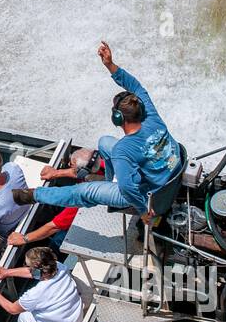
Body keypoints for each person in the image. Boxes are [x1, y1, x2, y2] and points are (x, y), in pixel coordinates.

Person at [21, 43, 181, 219]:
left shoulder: (124, 150)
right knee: (104, 142)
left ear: (118, 118)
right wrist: (109, 64)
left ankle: (34, 195)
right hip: (171, 174)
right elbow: (135, 86)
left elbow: (128, 190)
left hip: (150, 194)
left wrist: (143, 212)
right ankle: (108, 182)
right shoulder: (152, 117)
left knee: (84, 191)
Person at [7, 148, 104, 252]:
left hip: (95, 217)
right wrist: (57, 173)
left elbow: (54, 226)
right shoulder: (100, 162)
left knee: (58, 241)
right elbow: (83, 171)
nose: (69, 166)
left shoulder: (84, 196)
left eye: (71, 165)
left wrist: (24, 238)